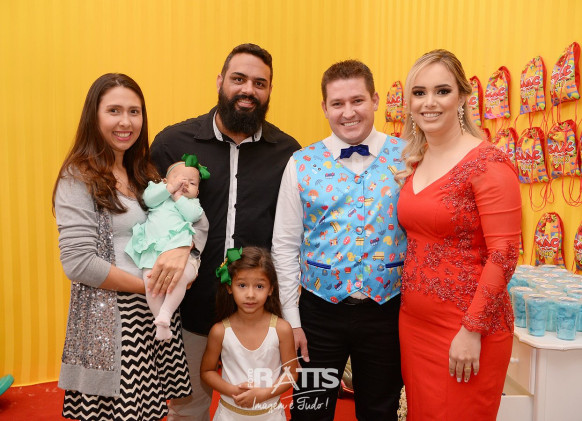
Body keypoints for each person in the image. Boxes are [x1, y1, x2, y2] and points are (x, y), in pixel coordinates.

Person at [150, 43, 301, 420]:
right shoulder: (172, 143)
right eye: (239, 79)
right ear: (220, 81)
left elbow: (291, 236)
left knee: (256, 407)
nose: (248, 89)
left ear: (270, 90)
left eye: (259, 83)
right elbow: (147, 216)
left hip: (257, 315)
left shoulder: (288, 153)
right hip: (187, 309)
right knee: (188, 410)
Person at [53, 73, 194, 421]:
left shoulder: (143, 173)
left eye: (134, 111)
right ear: (94, 116)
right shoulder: (78, 177)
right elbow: (78, 263)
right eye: (114, 110)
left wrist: (181, 257)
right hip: (113, 323)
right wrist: (152, 286)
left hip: (150, 318)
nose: (126, 122)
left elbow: (178, 224)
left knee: (149, 412)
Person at [272, 60, 407, 420]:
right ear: (324, 107)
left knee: (380, 412)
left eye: (357, 100)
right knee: (310, 410)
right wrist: (293, 320)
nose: (348, 112)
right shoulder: (300, 163)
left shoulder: (409, 156)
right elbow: (284, 246)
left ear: (375, 100)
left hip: (387, 312)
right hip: (318, 314)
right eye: (337, 103)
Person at [395, 49, 521, 420]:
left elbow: (505, 253)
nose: (429, 102)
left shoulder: (488, 163)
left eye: (442, 91)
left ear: (463, 97)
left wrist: (472, 330)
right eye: (419, 93)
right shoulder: (418, 159)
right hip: (414, 323)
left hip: (466, 330)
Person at [200, 247, 298, 420]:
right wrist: (233, 391)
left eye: (259, 286)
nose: (250, 294)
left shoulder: (281, 329)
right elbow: (207, 371)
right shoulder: (220, 331)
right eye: (242, 285)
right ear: (229, 287)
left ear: (271, 289)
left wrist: (265, 393)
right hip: (228, 416)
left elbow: (292, 373)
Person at [125, 154, 209, 340]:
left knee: (180, 278)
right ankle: (160, 320)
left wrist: (179, 197)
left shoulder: (192, 203)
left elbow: (193, 216)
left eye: (192, 183)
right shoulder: (158, 192)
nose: (185, 184)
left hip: (181, 253)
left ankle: (166, 313)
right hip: (153, 251)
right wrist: (169, 189)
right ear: (164, 181)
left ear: (197, 192)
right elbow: (148, 200)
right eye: (180, 179)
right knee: (150, 282)